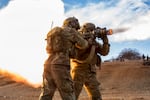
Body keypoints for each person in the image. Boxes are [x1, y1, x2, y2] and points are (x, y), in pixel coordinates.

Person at [39, 17, 89, 100]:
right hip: (61, 64)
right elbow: (83, 45)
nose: (76, 30)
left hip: (47, 63)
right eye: (76, 28)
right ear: (72, 24)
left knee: (46, 93)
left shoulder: (53, 31)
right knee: (68, 92)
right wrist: (86, 40)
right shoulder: (71, 31)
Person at [71, 23, 110, 100]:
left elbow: (104, 52)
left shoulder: (94, 43)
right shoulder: (78, 41)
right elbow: (76, 54)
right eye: (90, 30)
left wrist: (105, 40)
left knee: (96, 96)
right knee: (73, 95)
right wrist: (88, 43)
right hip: (79, 70)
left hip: (90, 72)